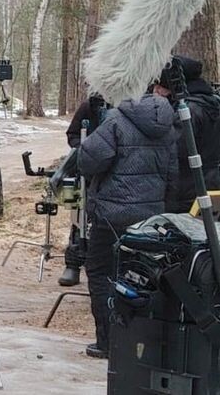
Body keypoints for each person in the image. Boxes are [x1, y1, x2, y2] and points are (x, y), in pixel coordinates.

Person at [78, 92, 177, 359]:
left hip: (111, 214)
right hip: (150, 218)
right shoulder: (168, 126)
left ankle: (108, 342)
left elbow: (88, 159)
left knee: (100, 272)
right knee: (142, 276)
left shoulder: (116, 121)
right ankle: (140, 343)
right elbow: (172, 176)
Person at [152, 56, 220, 214]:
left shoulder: (187, 111)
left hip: (186, 188)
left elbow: (175, 150)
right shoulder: (211, 103)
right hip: (210, 181)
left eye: (159, 86)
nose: (155, 90)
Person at [58, 93, 109, 287]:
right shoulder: (90, 106)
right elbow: (72, 134)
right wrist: (83, 151)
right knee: (78, 217)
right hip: (87, 171)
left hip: (114, 174)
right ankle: (73, 263)